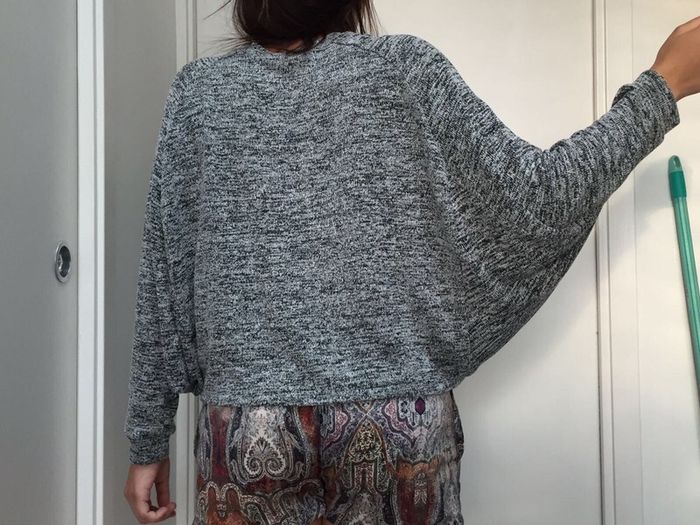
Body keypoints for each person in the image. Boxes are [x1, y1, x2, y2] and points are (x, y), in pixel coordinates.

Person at [122, 0, 700, 522]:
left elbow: (164, 279)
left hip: (248, 430)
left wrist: (149, 441)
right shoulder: (405, 68)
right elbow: (541, 199)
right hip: (399, 428)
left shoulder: (199, 93)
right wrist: (661, 87)